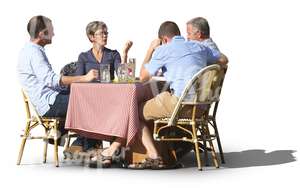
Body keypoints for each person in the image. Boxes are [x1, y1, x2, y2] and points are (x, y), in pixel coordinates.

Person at [17, 15, 98, 144]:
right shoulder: (34, 53)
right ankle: (81, 146)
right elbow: (51, 80)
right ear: (42, 33)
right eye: (51, 30)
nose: (53, 34)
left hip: (49, 100)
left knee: (86, 96)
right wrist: (84, 78)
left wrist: (68, 85)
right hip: (49, 104)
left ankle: (59, 135)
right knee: (94, 103)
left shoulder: (30, 50)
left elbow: (47, 82)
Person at [140, 21, 221, 120]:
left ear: (164, 40)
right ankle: (167, 134)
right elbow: (224, 60)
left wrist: (150, 50)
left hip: (180, 105)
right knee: (160, 99)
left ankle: (147, 136)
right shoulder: (200, 47)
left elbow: (143, 77)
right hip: (200, 108)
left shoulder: (163, 50)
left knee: (137, 111)